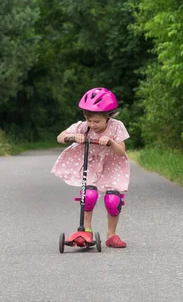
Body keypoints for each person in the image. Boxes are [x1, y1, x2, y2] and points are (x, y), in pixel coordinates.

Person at [51, 87, 130, 248]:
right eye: (89, 120)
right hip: (91, 162)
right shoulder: (84, 126)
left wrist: (111, 142)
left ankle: (112, 235)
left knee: (113, 200)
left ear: (109, 116)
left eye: (97, 121)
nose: (93, 125)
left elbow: (121, 151)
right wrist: (73, 137)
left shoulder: (116, 126)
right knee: (89, 196)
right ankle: (86, 230)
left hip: (112, 163)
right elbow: (60, 137)